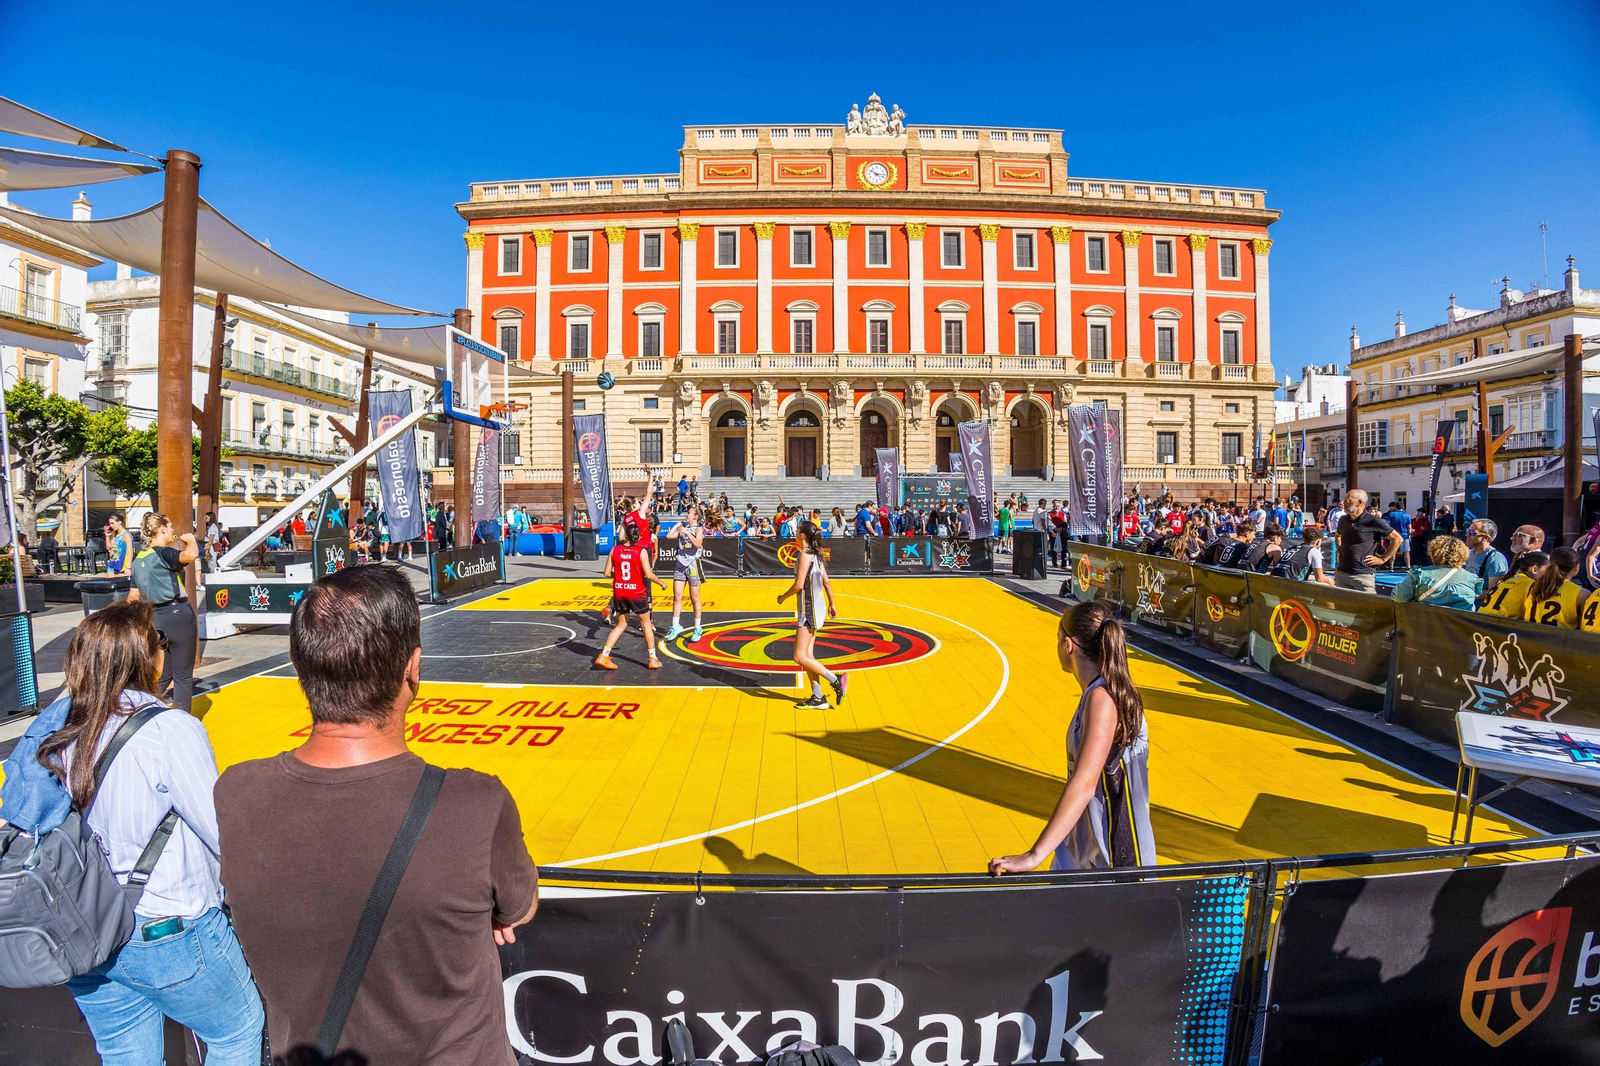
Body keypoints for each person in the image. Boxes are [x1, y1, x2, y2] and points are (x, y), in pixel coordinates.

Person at [214, 566, 538, 1066]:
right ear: (413, 668)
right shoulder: (475, 804)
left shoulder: (235, 793)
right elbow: (518, 908)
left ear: (299, 666)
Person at [3, 601, 265, 1064]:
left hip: (84, 927)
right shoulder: (170, 729)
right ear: (145, 657)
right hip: (166, 928)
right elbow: (221, 831)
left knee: (125, 1051)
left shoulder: (58, 725)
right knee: (236, 1033)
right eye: (159, 641)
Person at [989, 600, 1155, 873]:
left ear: (1068, 645)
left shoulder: (1103, 699)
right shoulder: (1103, 691)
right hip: (1084, 849)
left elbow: (1085, 783)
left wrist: (1034, 854)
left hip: (1111, 859)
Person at [126, 513, 199, 711]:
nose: (173, 530)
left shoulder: (138, 560)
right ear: (162, 529)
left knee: (165, 671)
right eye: (171, 526)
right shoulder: (163, 553)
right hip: (178, 614)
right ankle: (182, 720)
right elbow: (191, 555)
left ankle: (140, 709)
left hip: (155, 617)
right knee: (183, 676)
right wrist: (191, 540)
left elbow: (133, 596)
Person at [776, 518, 847, 709]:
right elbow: (827, 582)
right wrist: (832, 603)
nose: (795, 533)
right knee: (808, 655)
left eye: (797, 530)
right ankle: (818, 697)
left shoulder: (805, 555)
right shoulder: (816, 554)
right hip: (817, 607)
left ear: (802, 535)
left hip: (809, 608)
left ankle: (836, 680)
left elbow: (799, 585)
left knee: (799, 656)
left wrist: (782, 597)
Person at [595, 521, 667, 670]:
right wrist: (661, 583)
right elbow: (648, 574)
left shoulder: (614, 550)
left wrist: (620, 577)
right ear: (638, 537)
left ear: (625, 535)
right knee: (646, 624)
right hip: (636, 593)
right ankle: (652, 658)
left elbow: (607, 573)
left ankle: (604, 655)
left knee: (621, 625)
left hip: (620, 592)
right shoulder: (641, 552)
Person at [1333, 490, 1401, 593]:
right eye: (1344, 500)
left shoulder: (1373, 521)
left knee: (1368, 603)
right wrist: (1339, 549)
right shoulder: (1343, 520)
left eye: (1348, 500)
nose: (1344, 503)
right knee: (1341, 603)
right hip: (1341, 573)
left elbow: (1397, 539)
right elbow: (1338, 535)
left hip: (1363, 575)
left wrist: (1382, 559)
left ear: (1360, 502)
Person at [1391, 535, 1482, 611]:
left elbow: (1400, 596)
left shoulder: (1420, 575)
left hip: (1427, 624)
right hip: (1462, 626)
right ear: (1463, 554)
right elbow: (1476, 597)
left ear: (1433, 553)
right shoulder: (1472, 579)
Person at [663, 505, 706, 641]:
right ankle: (675, 625)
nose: (686, 514)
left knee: (694, 598)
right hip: (680, 565)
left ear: (695, 517)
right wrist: (678, 525)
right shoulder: (683, 529)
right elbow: (669, 536)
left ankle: (697, 627)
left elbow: (698, 544)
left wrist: (686, 532)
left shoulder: (698, 529)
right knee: (677, 596)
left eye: (689, 513)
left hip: (693, 565)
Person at [1522, 547, 1588, 628]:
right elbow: (1583, 628)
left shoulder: (1533, 586)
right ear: (1576, 568)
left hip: (1528, 634)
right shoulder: (1581, 594)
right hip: (1559, 636)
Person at [1480, 550, 1549, 619]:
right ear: (1534, 569)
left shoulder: (1508, 580)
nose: (1551, 572)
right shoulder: (1531, 585)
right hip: (1499, 623)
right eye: (1549, 569)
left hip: (1480, 620)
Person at [1464, 518, 1509, 593]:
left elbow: (1494, 592)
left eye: (1472, 532)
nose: (1467, 535)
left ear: (1486, 538)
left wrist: (1467, 594)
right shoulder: (1468, 553)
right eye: (1467, 531)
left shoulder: (1495, 559)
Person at [1384, 501, 1412, 569]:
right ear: (1403, 507)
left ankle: (1391, 566)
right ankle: (1408, 566)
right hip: (1404, 536)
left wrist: (1387, 534)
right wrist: (1409, 535)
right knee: (1406, 552)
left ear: (1395, 507)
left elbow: (1388, 525)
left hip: (1394, 536)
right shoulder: (1407, 515)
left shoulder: (1391, 514)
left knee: (1393, 551)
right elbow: (1409, 527)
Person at [105, 511, 134, 576]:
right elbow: (109, 547)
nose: (111, 526)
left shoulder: (126, 535)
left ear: (119, 522)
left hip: (122, 564)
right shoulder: (115, 534)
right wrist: (107, 537)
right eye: (110, 524)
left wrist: (128, 567)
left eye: (112, 523)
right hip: (113, 563)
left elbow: (130, 552)